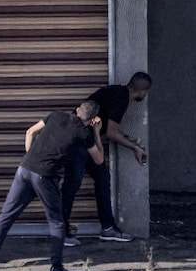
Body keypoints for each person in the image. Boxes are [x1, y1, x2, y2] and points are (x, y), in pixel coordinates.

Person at [0, 101, 104, 271]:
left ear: (77, 110)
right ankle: (56, 266)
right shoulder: (84, 133)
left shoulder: (56, 115)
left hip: (24, 169)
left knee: (7, 214)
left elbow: (30, 131)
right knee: (57, 221)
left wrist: (30, 156)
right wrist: (97, 133)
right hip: (45, 175)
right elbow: (99, 160)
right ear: (92, 119)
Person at [61, 72, 152, 246]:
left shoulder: (116, 92)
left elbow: (111, 128)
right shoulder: (121, 100)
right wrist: (135, 148)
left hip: (88, 141)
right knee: (72, 185)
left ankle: (108, 228)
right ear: (142, 91)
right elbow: (111, 133)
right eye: (146, 93)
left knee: (102, 179)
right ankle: (61, 232)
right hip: (78, 141)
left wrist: (126, 138)